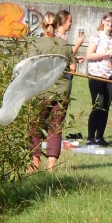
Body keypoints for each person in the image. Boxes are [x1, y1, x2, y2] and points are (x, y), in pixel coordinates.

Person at [27, 12, 76, 172]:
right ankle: (51, 166)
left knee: (35, 125)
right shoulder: (65, 45)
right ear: (57, 25)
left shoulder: (37, 43)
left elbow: (30, 66)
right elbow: (73, 69)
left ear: (42, 25)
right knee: (56, 127)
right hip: (62, 91)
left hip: (42, 91)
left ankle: (35, 163)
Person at [85, 12, 112, 147]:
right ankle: (90, 137)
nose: (110, 24)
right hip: (96, 75)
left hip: (110, 76)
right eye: (108, 21)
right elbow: (89, 55)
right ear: (103, 21)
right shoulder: (97, 35)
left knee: (106, 107)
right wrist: (106, 52)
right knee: (97, 105)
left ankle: (100, 137)